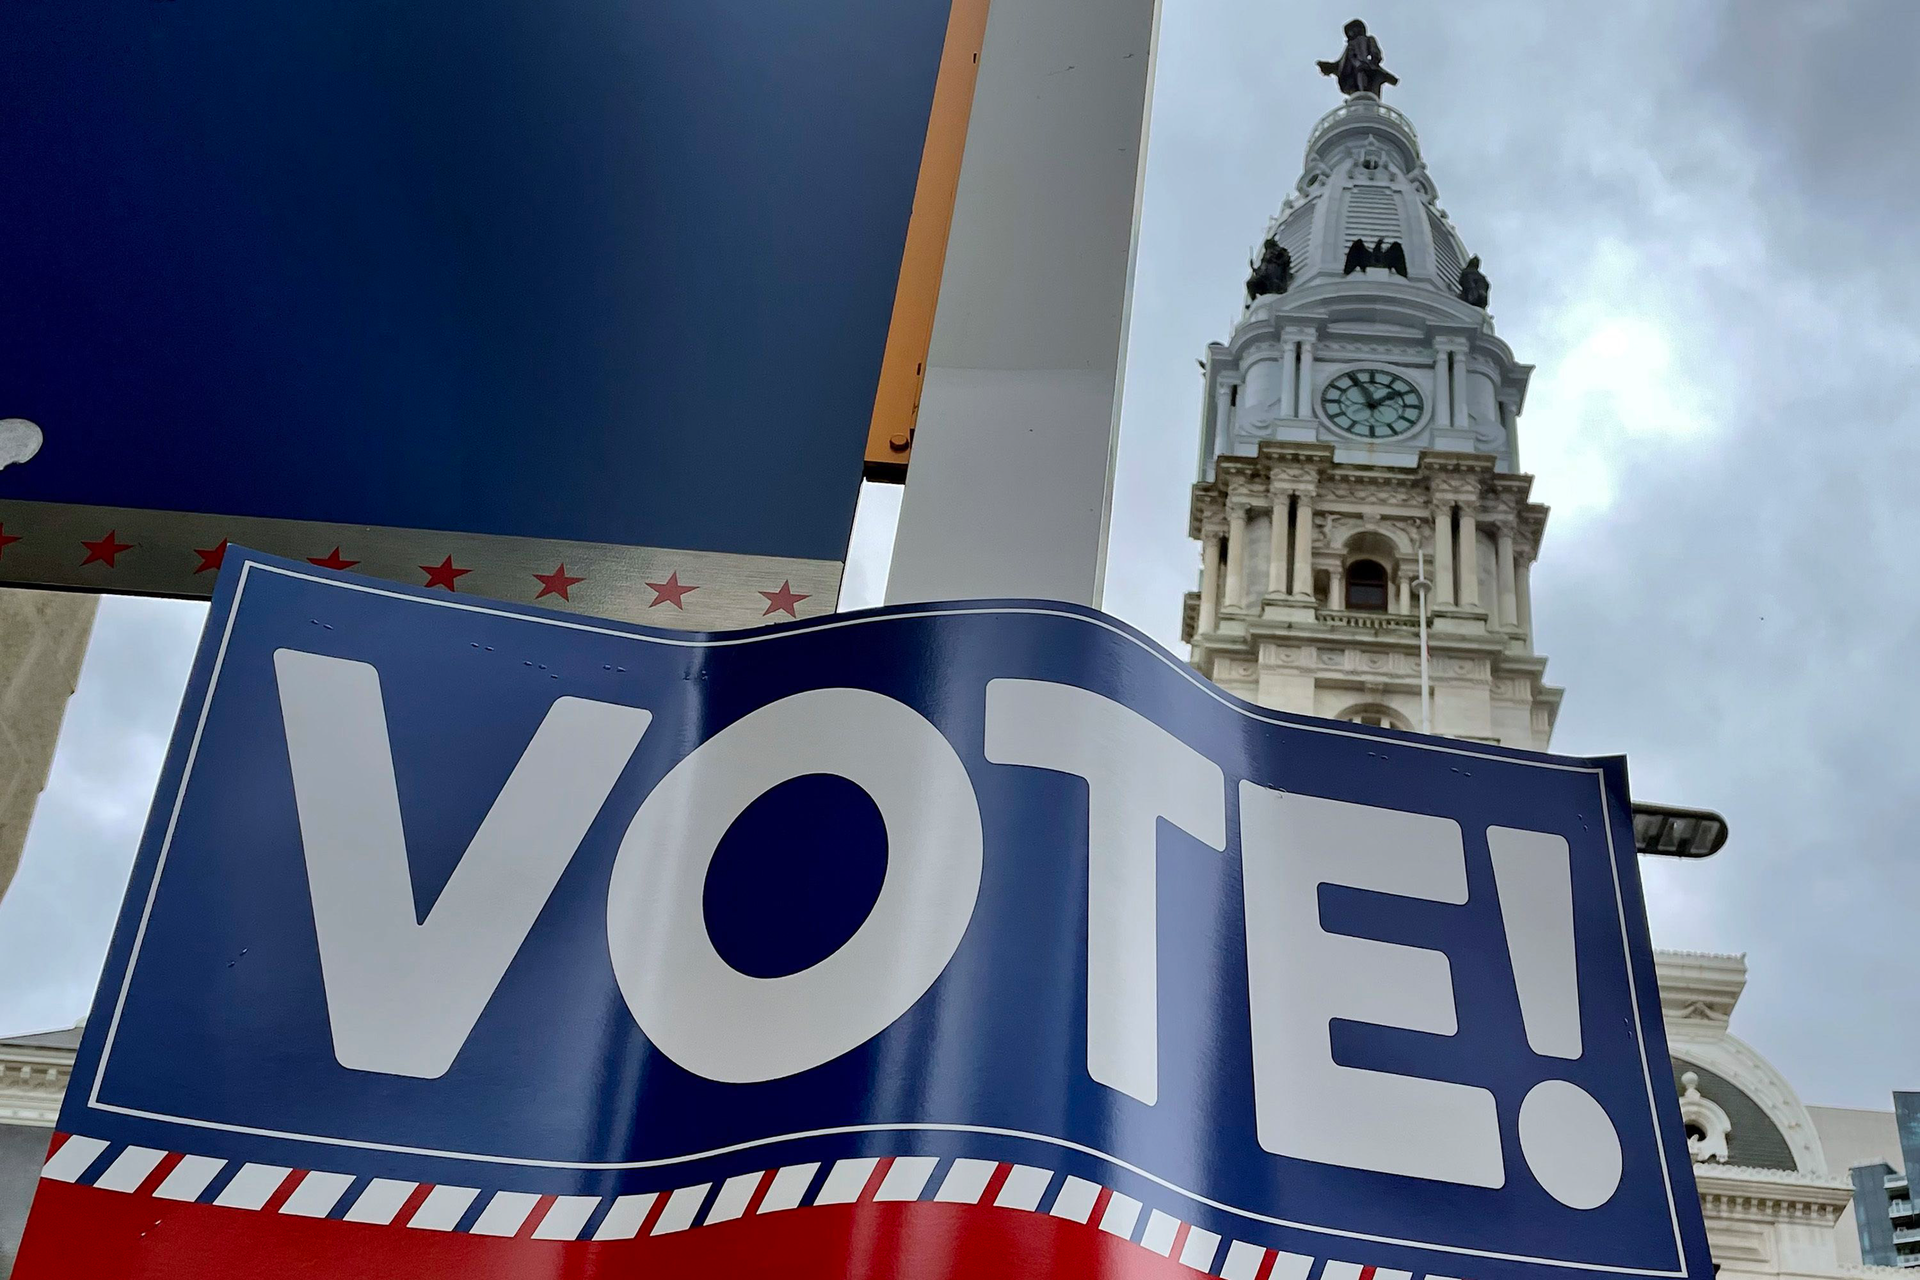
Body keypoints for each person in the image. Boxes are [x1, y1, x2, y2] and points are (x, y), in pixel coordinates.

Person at [1317, 19, 1398, 97]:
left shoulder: (1367, 39)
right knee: (1355, 87)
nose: (1352, 32)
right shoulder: (1349, 46)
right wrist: (1328, 66)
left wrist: (1372, 62)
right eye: (1350, 31)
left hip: (1365, 67)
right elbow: (1341, 63)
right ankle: (1357, 96)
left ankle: (1364, 96)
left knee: (1367, 84)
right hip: (1350, 74)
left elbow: (1375, 52)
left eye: (1353, 29)